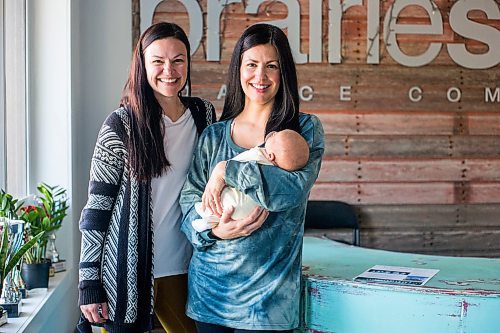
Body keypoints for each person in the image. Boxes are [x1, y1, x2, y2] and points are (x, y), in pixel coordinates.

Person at [180, 23, 325, 333]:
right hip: (210, 297)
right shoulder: (214, 136)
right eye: (252, 65)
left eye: (271, 66)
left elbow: (291, 191)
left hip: (268, 302)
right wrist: (217, 233)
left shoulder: (304, 131)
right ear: (239, 70)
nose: (260, 76)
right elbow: (189, 203)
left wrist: (227, 170)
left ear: (283, 73)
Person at [77, 22, 217, 333]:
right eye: (158, 61)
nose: (169, 70)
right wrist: (89, 281)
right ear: (142, 64)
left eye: (178, 60)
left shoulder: (203, 115)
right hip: (126, 273)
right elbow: (96, 210)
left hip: (187, 267)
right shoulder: (120, 125)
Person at [192, 129, 310, 232]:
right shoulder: (279, 173)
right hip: (249, 213)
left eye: (275, 136)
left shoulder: (258, 154)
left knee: (222, 201)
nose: (274, 133)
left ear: (271, 156)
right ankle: (211, 222)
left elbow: (234, 163)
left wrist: (223, 168)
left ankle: (209, 218)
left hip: (232, 207)